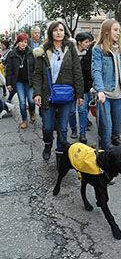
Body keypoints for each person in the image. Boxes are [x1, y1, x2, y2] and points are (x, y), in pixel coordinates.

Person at [33, 21, 84, 164]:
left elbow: (77, 72)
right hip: (47, 94)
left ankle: (60, 153)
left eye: (61, 30)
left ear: (65, 32)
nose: (58, 32)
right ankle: (48, 144)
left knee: (62, 128)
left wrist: (79, 94)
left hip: (66, 94)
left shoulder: (70, 49)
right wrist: (37, 93)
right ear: (51, 32)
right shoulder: (42, 51)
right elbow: (37, 74)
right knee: (47, 127)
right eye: (55, 30)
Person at [92, 19, 121, 151]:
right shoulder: (98, 50)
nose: (118, 33)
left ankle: (107, 150)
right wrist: (100, 90)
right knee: (107, 130)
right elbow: (96, 70)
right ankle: (104, 161)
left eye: (119, 30)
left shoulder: (119, 51)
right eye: (115, 30)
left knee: (116, 132)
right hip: (105, 95)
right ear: (107, 32)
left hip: (118, 96)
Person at [6, 33, 36, 129]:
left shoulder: (31, 53)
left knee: (31, 100)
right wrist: (9, 83)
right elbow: (9, 69)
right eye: (21, 42)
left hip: (30, 81)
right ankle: (24, 119)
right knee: (22, 101)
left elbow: (35, 68)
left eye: (25, 42)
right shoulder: (12, 54)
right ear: (17, 43)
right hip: (18, 81)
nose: (23, 44)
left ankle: (32, 111)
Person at [69, 32, 91, 143]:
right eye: (86, 42)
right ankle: (73, 129)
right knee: (72, 111)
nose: (88, 44)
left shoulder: (89, 55)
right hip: (71, 87)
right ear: (79, 42)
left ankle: (82, 133)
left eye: (89, 42)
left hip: (84, 88)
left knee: (82, 111)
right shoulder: (70, 54)